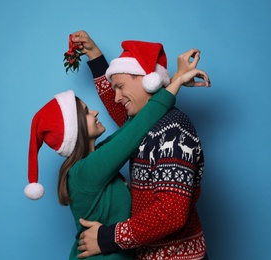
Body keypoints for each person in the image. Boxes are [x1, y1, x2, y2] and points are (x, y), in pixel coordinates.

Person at [23, 69, 210, 258]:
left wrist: (169, 80)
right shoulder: (85, 171)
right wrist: (176, 83)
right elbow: (137, 127)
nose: (95, 112)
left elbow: (131, 124)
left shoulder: (95, 159)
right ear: (75, 128)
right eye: (87, 112)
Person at [71, 30, 211, 260]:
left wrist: (107, 237)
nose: (116, 97)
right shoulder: (142, 122)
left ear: (148, 79)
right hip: (148, 253)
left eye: (120, 86)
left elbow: (172, 213)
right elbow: (117, 106)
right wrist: (94, 55)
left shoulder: (173, 130)